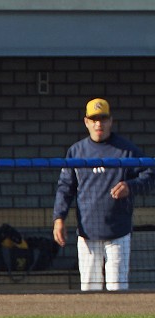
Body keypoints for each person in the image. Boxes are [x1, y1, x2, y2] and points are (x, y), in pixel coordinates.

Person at [53, 98, 155, 291]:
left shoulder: (126, 150)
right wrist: (59, 218)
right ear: (86, 122)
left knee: (118, 289)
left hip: (118, 232)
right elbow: (65, 187)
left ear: (111, 121)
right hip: (87, 234)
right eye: (94, 119)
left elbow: (150, 175)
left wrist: (130, 186)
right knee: (89, 290)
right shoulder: (76, 151)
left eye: (103, 119)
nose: (98, 124)